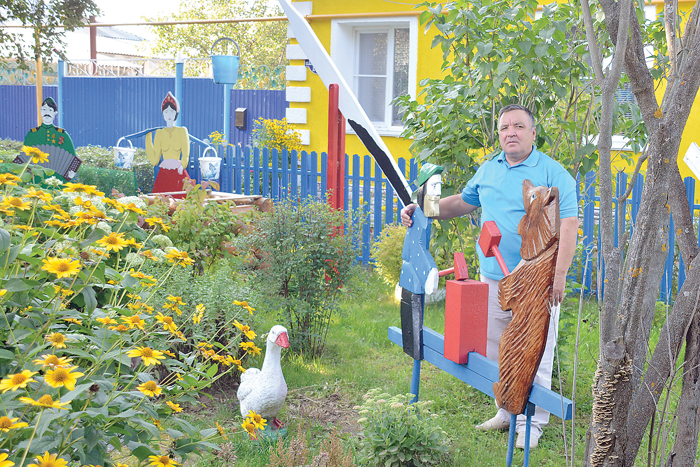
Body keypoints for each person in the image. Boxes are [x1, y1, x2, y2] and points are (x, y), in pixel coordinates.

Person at [401, 104, 579, 450]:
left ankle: (532, 423)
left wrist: (559, 275)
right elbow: (461, 204)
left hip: (536, 285)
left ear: (532, 133)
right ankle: (505, 411)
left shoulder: (552, 173)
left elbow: (569, 224)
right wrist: (423, 207)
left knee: (536, 352)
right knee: (498, 347)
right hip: (493, 277)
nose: (510, 132)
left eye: (517, 126)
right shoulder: (489, 169)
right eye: (503, 128)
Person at [15, 97, 81, 181]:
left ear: (55, 113)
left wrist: (71, 172)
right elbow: (24, 156)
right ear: (40, 111)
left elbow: (73, 157)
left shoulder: (62, 134)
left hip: (58, 180)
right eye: (44, 110)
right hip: (35, 178)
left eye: (50, 110)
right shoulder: (32, 134)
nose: (47, 113)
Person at [146, 92, 190, 192]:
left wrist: (182, 165)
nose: (169, 114)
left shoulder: (182, 131)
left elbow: (185, 153)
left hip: (178, 171)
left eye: (171, 111)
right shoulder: (160, 133)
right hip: (164, 172)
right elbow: (154, 159)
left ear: (176, 113)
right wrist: (148, 139)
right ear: (163, 114)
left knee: (182, 197)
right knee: (160, 198)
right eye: (166, 112)